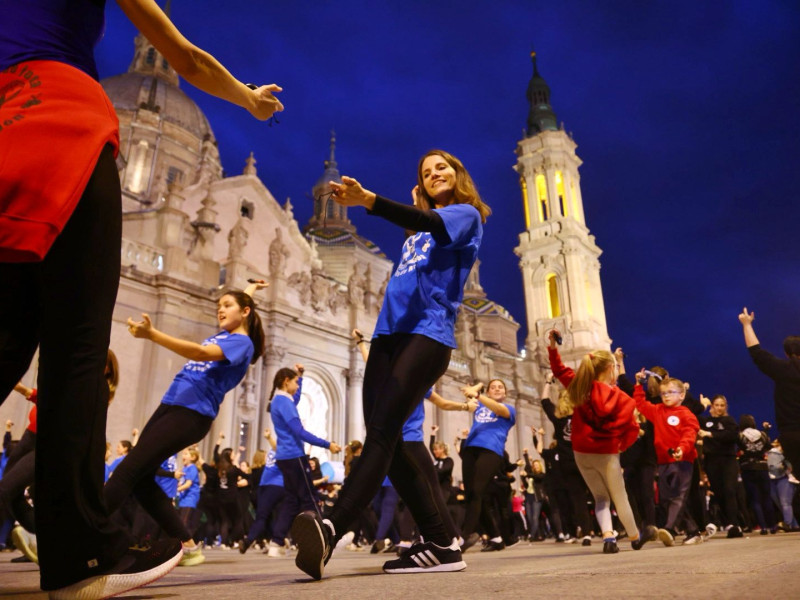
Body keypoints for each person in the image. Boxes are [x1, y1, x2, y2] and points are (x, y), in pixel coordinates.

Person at [0, 1, 283, 596]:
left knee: (6, 337)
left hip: (6, 122)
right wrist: (251, 100)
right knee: (78, 348)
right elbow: (188, 57)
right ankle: (77, 559)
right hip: (63, 125)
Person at [291, 150, 490, 579]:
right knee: (392, 442)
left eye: (443, 167)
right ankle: (441, 543)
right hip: (387, 336)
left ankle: (332, 526)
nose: (435, 173)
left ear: (458, 175)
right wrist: (414, 210)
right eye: (426, 171)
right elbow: (421, 229)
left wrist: (369, 201)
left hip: (428, 334)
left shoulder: (465, 215)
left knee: (382, 433)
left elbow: (434, 224)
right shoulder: (414, 235)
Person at [104, 282, 266, 568]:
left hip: (192, 412)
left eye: (227, 305)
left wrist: (153, 335)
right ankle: (188, 546)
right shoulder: (226, 334)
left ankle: (84, 532)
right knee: (141, 481)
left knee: (128, 469)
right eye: (219, 305)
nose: (220, 309)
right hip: (172, 405)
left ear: (245, 312)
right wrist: (250, 289)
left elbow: (200, 353)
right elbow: (241, 306)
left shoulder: (242, 343)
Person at [547, 331, 652, 553]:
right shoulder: (622, 398)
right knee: (619, 496)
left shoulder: (579, 386)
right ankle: (635, 537)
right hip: (607, 452)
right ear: (611, 368)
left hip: (581, 451)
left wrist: (552, 346)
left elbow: (558, 370)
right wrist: (621, 445)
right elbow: (632, 429)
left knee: (600, 496)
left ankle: (608, 538)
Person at [632, 374, 702, 546]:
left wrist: (682, 449)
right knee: (665, 499)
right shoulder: (657, 411)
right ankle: (693, 531)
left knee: (678, 496)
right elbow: (640, 405)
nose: (667, 396)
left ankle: (669, 530)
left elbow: (690, 434)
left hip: (683, 461)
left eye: (671, 392)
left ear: (682, 395)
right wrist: (638, 385)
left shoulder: (687, 414)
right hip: (663, 462)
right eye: (663, 393)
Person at [738, 308, 800, 476]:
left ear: (787, 353)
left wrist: (747, 325)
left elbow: (757, 353)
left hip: (791, 434)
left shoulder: (784, 369)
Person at [458, 379, 517, 552]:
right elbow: (469, 393)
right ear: (488, 392)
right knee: (472, 494)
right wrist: (476, 389)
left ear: (505, 393)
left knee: (477, 492)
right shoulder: (479, 405)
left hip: (491, 450)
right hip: (470, 448)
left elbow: (497, 408)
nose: (497, 389)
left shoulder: (509, 409)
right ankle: (497, 538)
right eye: (493, 387)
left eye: (500, 387)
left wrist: (478, 393)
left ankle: (464, 536)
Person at [697, 394, 743, 538]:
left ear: (725, 407)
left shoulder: (729, 421)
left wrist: (710, 435)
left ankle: (734, 524)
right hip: (711, 461)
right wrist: (700, 405)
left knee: (730, 490)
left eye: (722, 405)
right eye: (716, 405)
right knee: (718, 491)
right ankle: (725, 521)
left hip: (728, 460)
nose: (719, 408)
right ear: (712, 406)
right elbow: (691, 415)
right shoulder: (706, 421)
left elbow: (732, 436)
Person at [737, 415, 777, 534]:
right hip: (762, 466)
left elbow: (738, 449)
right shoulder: (763, 435)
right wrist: (766, 430)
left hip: (747, 468)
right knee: (766, 497)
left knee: (755, 499)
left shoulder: (740, 436)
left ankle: (763, 527)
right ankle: (773, 526)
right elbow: (768, 447)